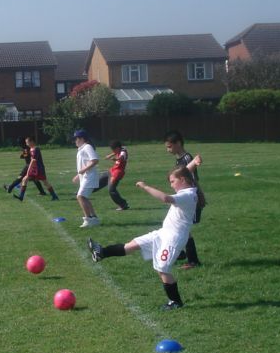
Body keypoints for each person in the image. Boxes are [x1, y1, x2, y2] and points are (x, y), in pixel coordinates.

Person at [87, 166, 199, 310]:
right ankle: (101, 253)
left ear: (183, 180)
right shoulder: (187, 191)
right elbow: (185, 170)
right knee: (133, 244)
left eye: (172, 181)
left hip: (173, 238)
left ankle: (175, 302)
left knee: (162, 269)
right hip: (163, 233)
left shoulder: (188, 194)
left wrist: (145, 186)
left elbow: (165, 198)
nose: (171, 185)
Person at [164, 130, 204, 268]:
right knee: (179, 227)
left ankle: (192, 260)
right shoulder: (180, 158)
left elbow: (191, 178)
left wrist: (200, 197)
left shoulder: (187, 158)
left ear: (178, 143)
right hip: (186, 197)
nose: (168, 149)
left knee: (184, 230)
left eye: (169, 146)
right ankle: (180, 253)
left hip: (191, 198)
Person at [14, 135, 59, 201]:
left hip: (39, 169)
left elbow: (33, 160)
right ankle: (21, 197)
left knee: (45, 182)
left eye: (27, 142)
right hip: (34, 169)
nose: (26, 144)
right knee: (24, 179)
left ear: (31, 142)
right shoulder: (31, 149)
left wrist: (29, 169)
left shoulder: (36, 149)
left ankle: (54, 196)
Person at [72, 129, 100, 227]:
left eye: (77, 138)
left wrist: (83, 171)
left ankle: (88, 219)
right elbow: (84, 164)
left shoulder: (87, 147)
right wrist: (78, 175)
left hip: (90, 177)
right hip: (85, 177)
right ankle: (94, 218)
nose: (75, 141)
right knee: (84, 197)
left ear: (82, 139)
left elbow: (95, 160)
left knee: (80, 196)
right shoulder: (81, 149)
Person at [96, 140, 130, 211]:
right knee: (100, 180)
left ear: (117, 148)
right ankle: (86, 191)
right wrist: (110, 155)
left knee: (111, 189)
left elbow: (121, 157)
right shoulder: (120, 149)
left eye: (114, 149)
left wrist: (115, 159)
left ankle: (123, 204)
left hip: (118, 173)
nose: (113, 151)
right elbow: (116, 152)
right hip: (113, 170)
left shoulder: (123, 152)